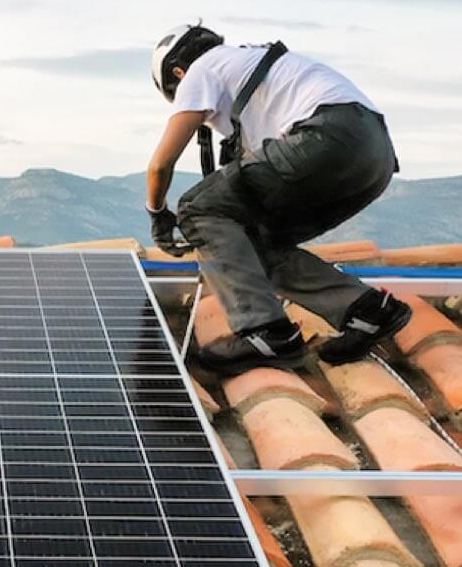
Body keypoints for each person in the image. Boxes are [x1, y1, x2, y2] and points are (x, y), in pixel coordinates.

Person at [145, 23, 411, 375]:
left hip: (325, 136)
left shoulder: (201, 70)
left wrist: (158, 212)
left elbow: (161, 164)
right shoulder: (256, 71)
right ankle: (366, 311)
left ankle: (265, 333)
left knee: (196, 207)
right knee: (252, 239)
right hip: (374, 155)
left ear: (178, 72)